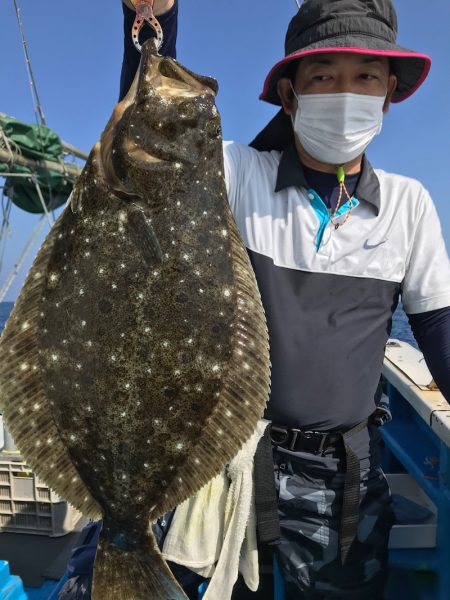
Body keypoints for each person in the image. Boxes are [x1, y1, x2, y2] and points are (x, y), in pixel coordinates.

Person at [64, 1, 450, 598]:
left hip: (344, 481)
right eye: (323, 76)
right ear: (291, 95)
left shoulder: (409, 206)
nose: (345, 93)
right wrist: (151, 22)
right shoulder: (237, 175)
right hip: (224, 462)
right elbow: (150, 156)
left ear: (389, 93)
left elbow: (442, 338)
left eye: (366, 77)